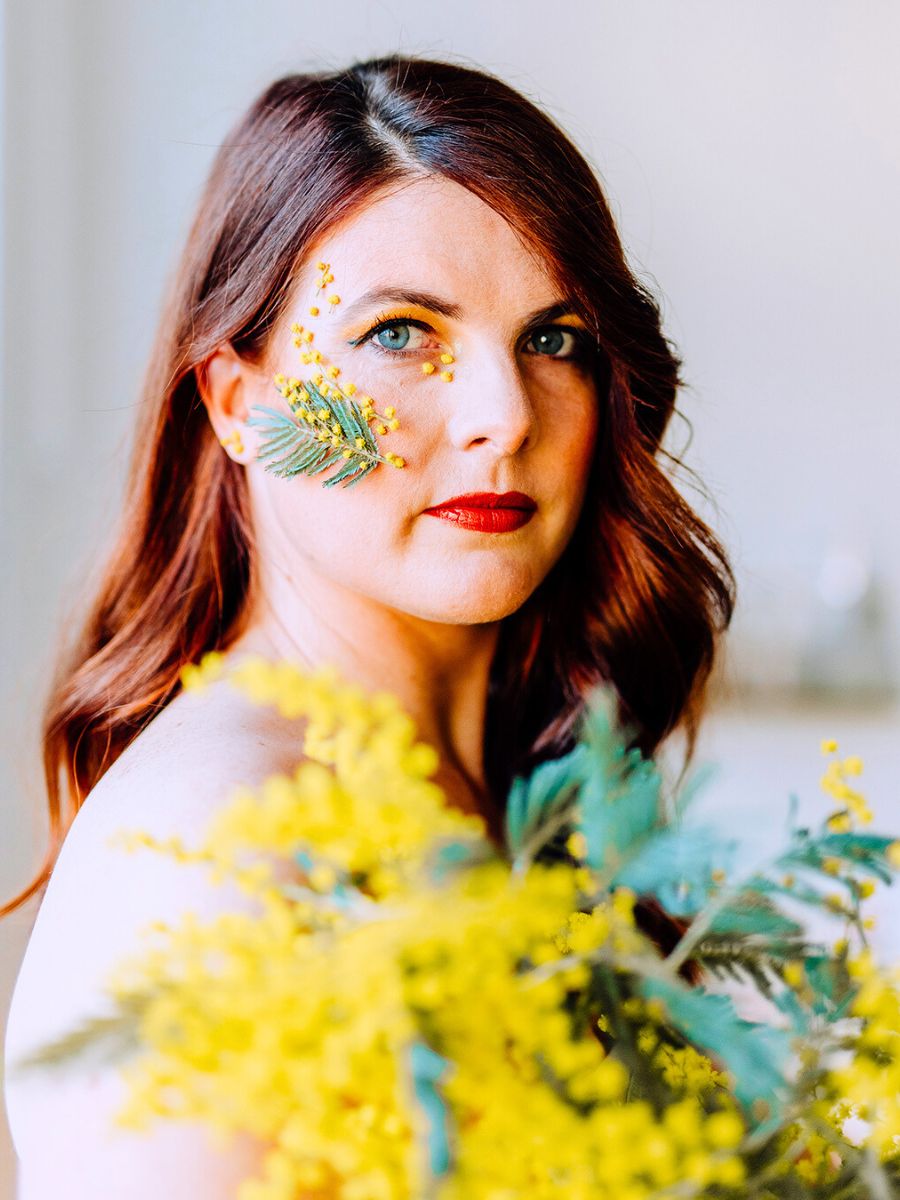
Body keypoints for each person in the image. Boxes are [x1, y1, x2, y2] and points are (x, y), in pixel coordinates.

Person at [2, 54, 734, 1196]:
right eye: (400, 334)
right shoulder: (215, 859)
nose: (501, 418)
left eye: (553, 338)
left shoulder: (526, 782)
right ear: (238, 401)